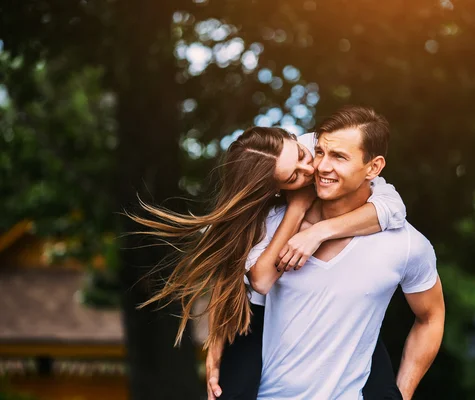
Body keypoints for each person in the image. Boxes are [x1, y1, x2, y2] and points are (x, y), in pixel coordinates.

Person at [129, 125, 406, 399]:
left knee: (378, 384)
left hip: (333, 304)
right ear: (273, 189)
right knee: (231, 392)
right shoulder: (258, 219)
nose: (310, 170)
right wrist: (296, 208)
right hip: (259, 315)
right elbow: (253, 280)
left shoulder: (321, 148)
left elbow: (392, 207)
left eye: (300, 155)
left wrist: (319, 232)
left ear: (295, 139)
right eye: (293, 176)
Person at [247, 106, 446, 400]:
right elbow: (235, 291)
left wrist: (401, 394)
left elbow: (431, 317)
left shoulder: (406, 244)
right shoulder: (272, 222)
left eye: (339, 157)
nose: (322, 167)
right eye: (319, 152)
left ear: (374, 168)